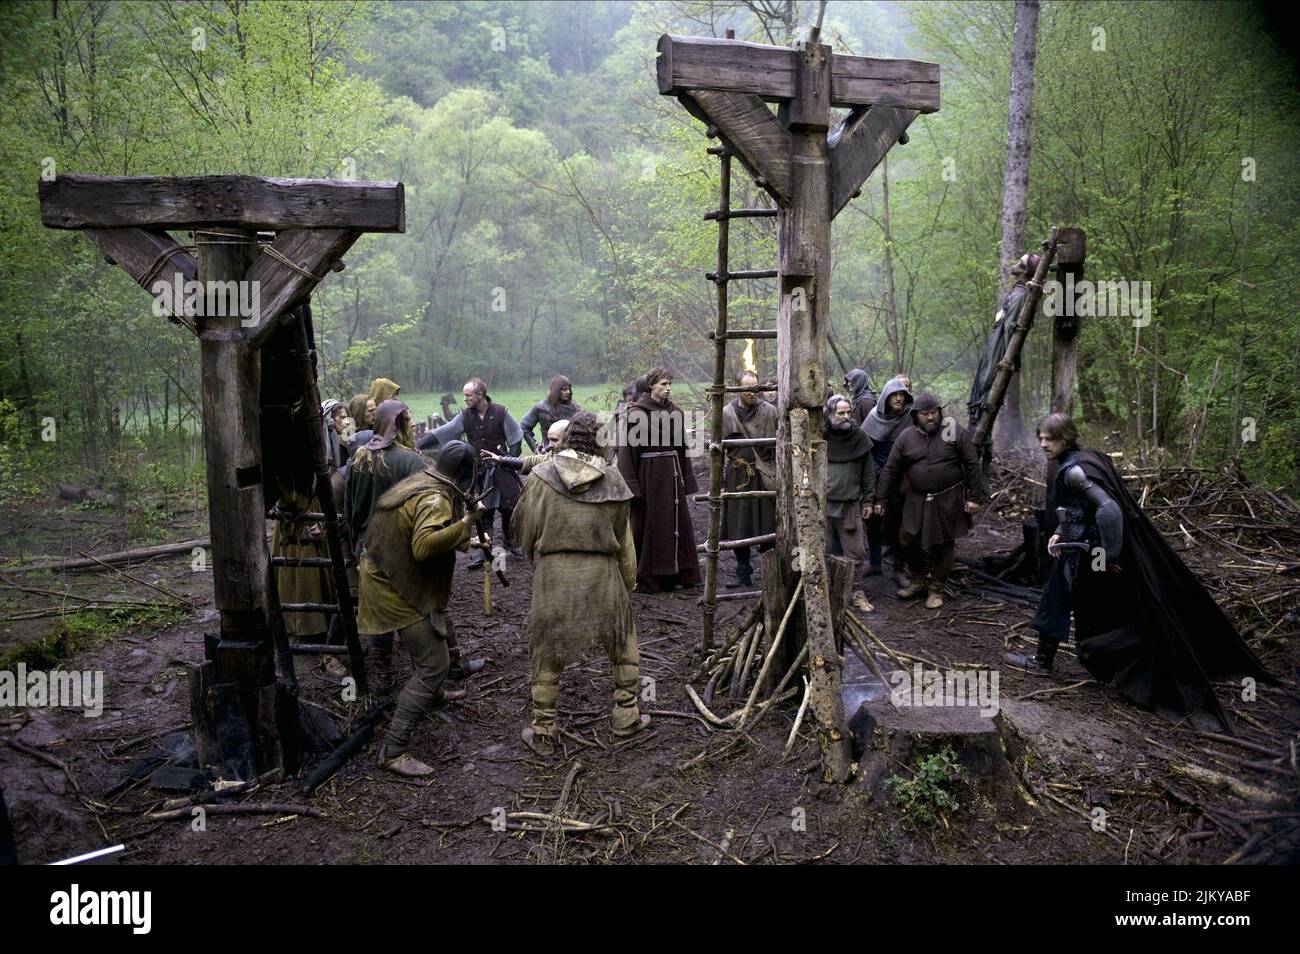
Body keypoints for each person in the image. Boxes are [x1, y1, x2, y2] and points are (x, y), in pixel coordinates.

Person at [1005, 414, 1273, 730]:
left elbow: (1108, 510)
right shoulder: (1084, 459)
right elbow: (1077, 510)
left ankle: (1060, 663)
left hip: (1090, 553)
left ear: (1066, 437)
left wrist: (1109, 554)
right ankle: (1081, 663)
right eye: (1040, 438)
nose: (1043, 444)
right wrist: (1061, 534)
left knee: (1065, 599)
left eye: (1050, 438)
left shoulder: (1076, 469)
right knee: (1069, 600)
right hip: (1082, 548)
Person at [513, 412, 646, 755]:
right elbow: (624, 540)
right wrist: (628, 583)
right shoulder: (614, 479)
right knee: (622, 643)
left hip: (555, 574)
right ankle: (626, 715)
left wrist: (537, 555)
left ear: (570, 437)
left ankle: (543, 728)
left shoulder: (541, 476)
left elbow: (525, 532)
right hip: (602, 572)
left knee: (547, 648)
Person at [358, 442, 483, 776]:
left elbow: (426, 530)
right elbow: (424, 546)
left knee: (431, 649)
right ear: (465, 474)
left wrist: (465, 539)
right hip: (392, 586)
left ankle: (434, 694)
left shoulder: (425, 481)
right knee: (434, 663)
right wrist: (469, 520)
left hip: (386, 571)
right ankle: (393, 750)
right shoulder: (435, 497)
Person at [875, 394, 981, 610]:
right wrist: (880, 498)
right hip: (917, 498)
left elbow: (971, 462)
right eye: (925, 414)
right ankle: (919, 580)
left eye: (934, 412)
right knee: (907, 539)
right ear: (915, 416)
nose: (931, 417)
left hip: (948, 497)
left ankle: (937, 588)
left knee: (943, 544)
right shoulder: (906, 437)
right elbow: (891, 469)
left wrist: (974, 497)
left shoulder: (952, 429)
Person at [616, 366, 701, 592]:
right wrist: (632, 487)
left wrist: (686, 478)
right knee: (650, 525)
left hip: (673, 477)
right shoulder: (635, 415)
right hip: (649, 477)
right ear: (651, 385)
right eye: (663, 384)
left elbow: (682, 449)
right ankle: (652, 578)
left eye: (670, 384)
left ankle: (680, 573)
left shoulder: (676, 412)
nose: (668, 388)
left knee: (676, 523)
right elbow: (627, 454)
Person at [429, 378, 526, 563]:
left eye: (468, 395)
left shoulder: (500, 412)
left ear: (480, 395)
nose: (464, 399)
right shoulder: (465, 416)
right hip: (479, 471)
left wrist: (509, 461)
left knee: (508, 506)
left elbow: (516, 437)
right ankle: (484, 548)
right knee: (483, 511)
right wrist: (418, 445)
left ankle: (509, 542)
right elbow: (443, 432)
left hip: (501, 466)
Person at [721, 370, 777, 589]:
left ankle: (769, 573)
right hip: (738, 475)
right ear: (737, 388)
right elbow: (719, 452)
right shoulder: (726, 413)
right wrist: (723, 485)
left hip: (764, 474)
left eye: (755, 388)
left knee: (767, 524)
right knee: (739, 524)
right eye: (747, 389)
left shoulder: (770, 411)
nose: (752, 393)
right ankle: (742, 572)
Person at [824, 395, 875, 613]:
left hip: (850, 505)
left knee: (855, 553)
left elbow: (868, 473)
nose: (846, 417)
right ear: (830, 414)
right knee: (820, 550)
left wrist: (869, 499)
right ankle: (822, 593)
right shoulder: (820, 437)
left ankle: (856, 593)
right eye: (840, 413)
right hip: (822, 505)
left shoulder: (860, 437)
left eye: (848, 412)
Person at [863, 377, 914, 583]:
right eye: (895, 395)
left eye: (902, 395)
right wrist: (878, 473)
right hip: (875, 477)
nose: (899, 399)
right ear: (886, 397)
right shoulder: (873, 417)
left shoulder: (911, 417)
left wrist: (904, 476)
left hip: (901, 480)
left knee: (899, 524)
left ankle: (899, 569)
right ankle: (875, 563)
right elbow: (865, 451)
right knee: (873, 522)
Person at [481, 419, 569, 476]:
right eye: (549, 440)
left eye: (555, 440)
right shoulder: (551, 456)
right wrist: (500, 460)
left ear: (568, 439)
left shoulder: (580, 461)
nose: (550, 444)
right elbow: (529, 462)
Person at [521, 375, 581, 452]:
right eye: (564, 389)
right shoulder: (541, 407)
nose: (568, 392)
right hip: (548, 451)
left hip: (571, 453)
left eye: (569, 389)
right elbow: (524, 427)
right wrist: (536, 448)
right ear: (556, 391)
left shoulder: (575, 409)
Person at [345, 393, 376, 462]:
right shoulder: (349, 436)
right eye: (370, 411)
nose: (375, 413)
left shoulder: (377, 431)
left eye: (375, 409)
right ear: (359, 413)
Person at [320, 399, 348, 471]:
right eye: (342, 417)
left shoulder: (344, 444)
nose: (347, 422)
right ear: (330, 419)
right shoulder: (319, 444)